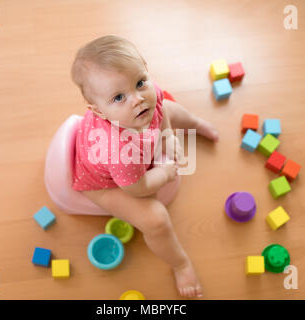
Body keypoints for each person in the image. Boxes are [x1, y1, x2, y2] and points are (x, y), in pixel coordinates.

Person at [70, 35, 219, 298]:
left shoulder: (146, 98)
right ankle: (180, 263)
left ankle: (195, 123)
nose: (137, 99)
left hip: (137, 151)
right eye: (118, 97)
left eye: (140, 82)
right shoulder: (118, 152)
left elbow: (160, 115)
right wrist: (163, 173)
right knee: (156, 219)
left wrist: (169, 135)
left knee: (169, 107)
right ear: (99, 112)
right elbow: (136, 189)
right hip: (105, 184)